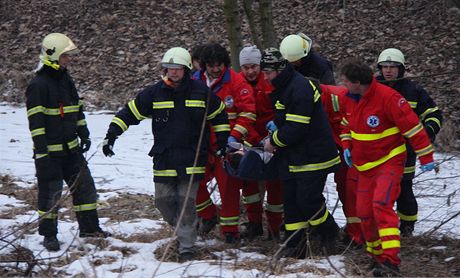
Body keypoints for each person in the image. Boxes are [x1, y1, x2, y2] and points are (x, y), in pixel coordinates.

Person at [102, 47, 229, 261]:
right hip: (164, 157)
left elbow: (220, 115)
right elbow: (130, 112)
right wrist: (112, 134)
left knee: (186, 203)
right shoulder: (154, 93)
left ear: (186, 69)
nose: (173, 73)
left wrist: (223, 141)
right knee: (163, 201)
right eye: (169, 68)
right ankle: (183, 230)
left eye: (177, 69)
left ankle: (187, 247)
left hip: (192, 158)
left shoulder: (201, 92)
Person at [339, 60, 436, 276]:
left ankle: (391, 262)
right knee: (364, 213)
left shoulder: (388, 98)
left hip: (388, 162)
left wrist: (426, 156)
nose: (342, 84)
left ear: (357, 83)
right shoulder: (350, 98)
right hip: (364, 166)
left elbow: (413, 128)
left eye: (345, 81)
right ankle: (376, 257)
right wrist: (347, 145)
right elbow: (346, 124)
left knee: (381, 206)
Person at [25, 33, 110, 252]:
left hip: (72, 150)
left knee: (85, 190)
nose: (68, 59)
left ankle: (90, 228)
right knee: (50, 194)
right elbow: (36, 122)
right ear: (53, 56)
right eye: (65, 56)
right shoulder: (39, 85)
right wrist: (42, 151)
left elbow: (76, 109)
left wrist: (84, 133)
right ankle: (49, 236)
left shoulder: (65, 79)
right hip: (50, 154)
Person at [261, 48, 341, 258]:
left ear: (280, 69)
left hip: (312, 157)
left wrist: (273, 141)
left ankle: (328, 232)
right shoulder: (285, 85)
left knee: (308, 200)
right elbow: (285, 119)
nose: (265, 77)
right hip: (294, 156)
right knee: (292, 201)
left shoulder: (298, 87)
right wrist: (275, 130)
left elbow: (297, 128)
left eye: (268, 72)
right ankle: (294, 244)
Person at [192, 43, 258, 243]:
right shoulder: (195, 81)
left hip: (226, 144)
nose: (215, 69)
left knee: (228, 187)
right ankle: (208, 215)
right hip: (201, 144)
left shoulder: (237, 82)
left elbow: (248, 113)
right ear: (204, 65)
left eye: (219, 64)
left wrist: (234, 137)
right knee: (194, 182)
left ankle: (230, 232)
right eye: (211, 65)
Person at [376, 48, 443, 236]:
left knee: (404, 189)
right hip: (378, 150)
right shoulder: (372, 87)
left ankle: (407, 228)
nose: (388, 70)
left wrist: (425, 133)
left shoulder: (413, 91)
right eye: (385, 66)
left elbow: (434, 115)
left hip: (405, 151)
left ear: (401, 68)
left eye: (393, 66)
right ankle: (379, 227)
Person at [238, 45, 283, 240]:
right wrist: (252, 138)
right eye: (246, 67)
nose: (250, 71)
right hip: (249, 140)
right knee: (249, 186)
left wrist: (272, 138)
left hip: (272, 142)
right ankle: (254, 223)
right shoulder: (238, 84)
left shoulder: (271, 83)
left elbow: (280, 112)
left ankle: (274, 228)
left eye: (254, 67)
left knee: (275, 185)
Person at [320, 84, 363, 247]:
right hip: (334, 147)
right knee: (343, 187)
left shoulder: (340, 97)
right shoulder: (305, 96)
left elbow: (353, 124)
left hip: (352, 149)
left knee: (350, 189)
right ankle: (353, 231)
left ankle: (357, 233)